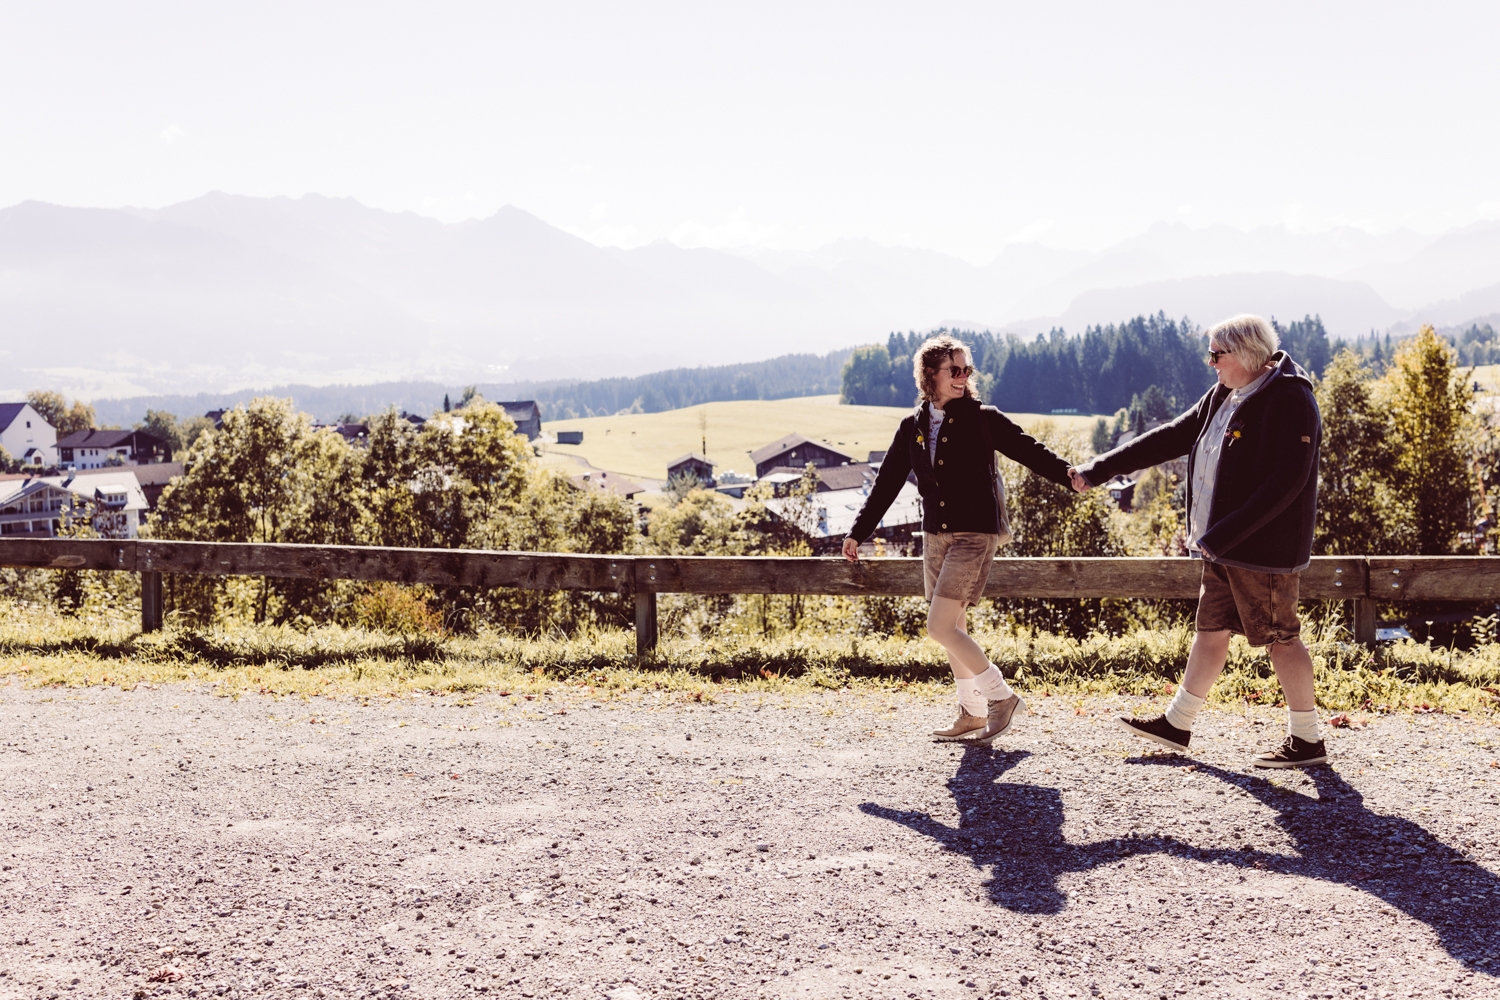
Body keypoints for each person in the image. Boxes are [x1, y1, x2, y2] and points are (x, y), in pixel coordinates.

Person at [1069, 314, 1327, 768]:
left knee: (1280, 639)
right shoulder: (1227, 394)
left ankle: (1307, 741)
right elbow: (1172, 436)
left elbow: (1287, 481)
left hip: (1260, 552)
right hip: (1222, 547)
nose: (1210, 363)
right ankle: (1178, 723)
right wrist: (1099, 469)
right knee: (1210, 633)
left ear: (1245, 354)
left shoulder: (1290, 398)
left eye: (1216, 354)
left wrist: (1222, 536)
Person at [843, 334, 1075, 743]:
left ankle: (1000, 697)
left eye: (967, 369)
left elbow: (1030, 451)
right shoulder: (912, 425)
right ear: (929, 374)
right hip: (935, 535)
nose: (963, 376)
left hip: (974, 535)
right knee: (954, 623)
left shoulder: (984, 418)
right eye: (955, 369)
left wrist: (1073, 476)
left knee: (939, 626)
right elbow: (887, 483)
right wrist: (858, 532)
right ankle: (970, 712)